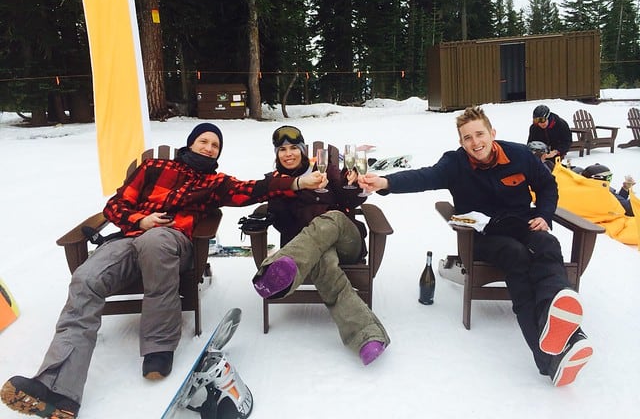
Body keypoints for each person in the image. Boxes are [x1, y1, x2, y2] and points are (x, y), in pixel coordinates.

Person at [1, 123, 326, 419]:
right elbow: (115, 206)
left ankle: (159, 346)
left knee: (157, 242)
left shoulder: (215, 182)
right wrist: (139, 220)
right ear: (190, 143)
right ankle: (58, 390)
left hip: (171, 240)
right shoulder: (153, 168)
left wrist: (298, 181)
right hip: (129, 238)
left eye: (215, 145)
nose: (209, 148)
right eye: (204, 141)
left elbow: (252, 189)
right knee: (86, 280)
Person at [359, 106, 593, 386]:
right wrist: (385, 181)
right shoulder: (454, 164)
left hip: (523, 224)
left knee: (547, 244)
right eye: (467, 138)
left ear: (492, 133)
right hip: (484, 237)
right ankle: (551, 354)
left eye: (480, 134)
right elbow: (423, 177)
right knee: (517, 256)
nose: (475, 142)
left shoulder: (520, 155)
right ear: (461, 142)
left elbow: (547, 185)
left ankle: (562, 327)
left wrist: (543, 214)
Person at [251, 126, 390, 365]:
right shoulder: (276, 183)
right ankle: (367, 337)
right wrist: (296, 189)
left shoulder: (326, 170)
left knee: (333, 218)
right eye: (282, 149)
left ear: (303, 150)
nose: (288, 154)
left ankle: (275, 271)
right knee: (324, 261)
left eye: (294, 147)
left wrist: (355, 186)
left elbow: (349, 199)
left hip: (347, 241)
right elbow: (284, 226)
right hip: (311, 250)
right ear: (276, 154)